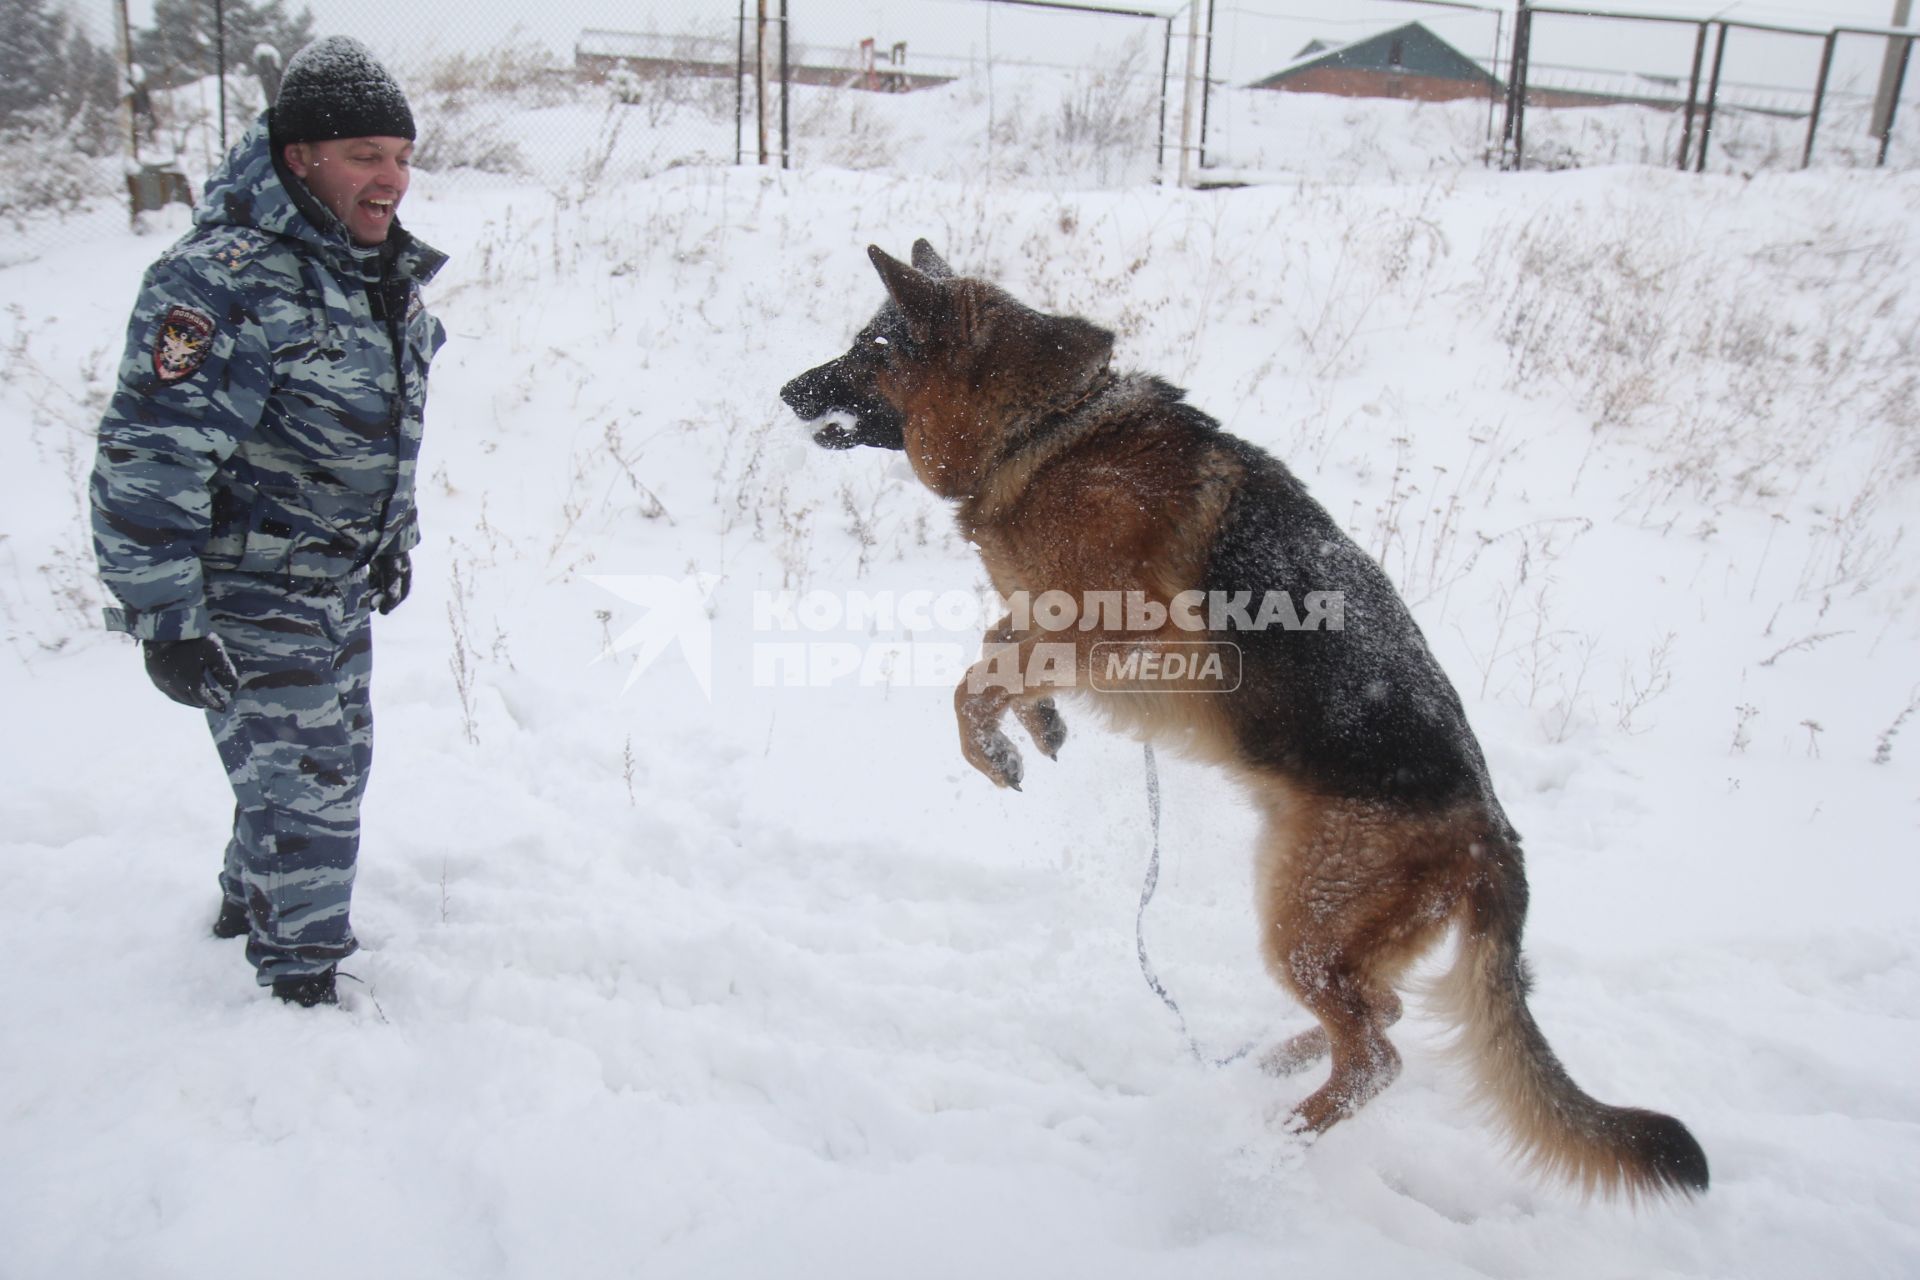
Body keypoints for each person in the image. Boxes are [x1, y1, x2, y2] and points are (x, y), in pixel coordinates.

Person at [90, 36, 447, 1008]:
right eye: (366, 154)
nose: (392, 178)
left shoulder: (371, 274)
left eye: (403, 156)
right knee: (313, 793)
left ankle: (246, 905)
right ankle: (297, 991)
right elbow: (150, 452)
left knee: (328, 769)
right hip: (249, 586)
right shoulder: (223, 279)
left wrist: (389, 544)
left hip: (334, 585)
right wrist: (164, 618)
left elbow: (382, 427)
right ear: (301, 156)